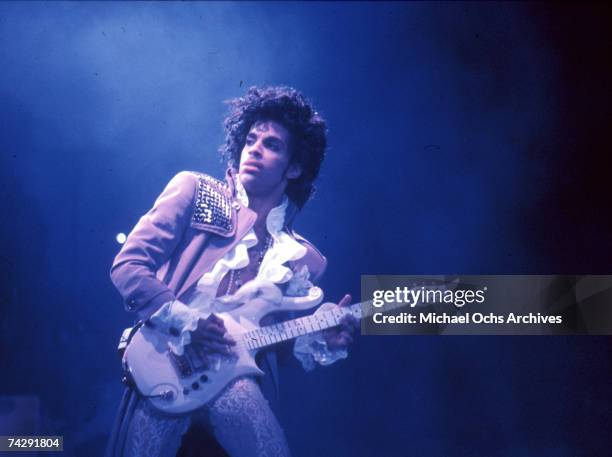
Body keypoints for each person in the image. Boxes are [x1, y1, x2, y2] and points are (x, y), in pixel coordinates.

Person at [105, 86, 358, 457]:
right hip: (166, 365)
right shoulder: (195, 190)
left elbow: (271, 345)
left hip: (234, 381)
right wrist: (187, 321)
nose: (254, 149)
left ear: (295, 166)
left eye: (271, 145)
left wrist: (318, 335)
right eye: (251, 140)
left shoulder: (304, 258)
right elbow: (129, 265)